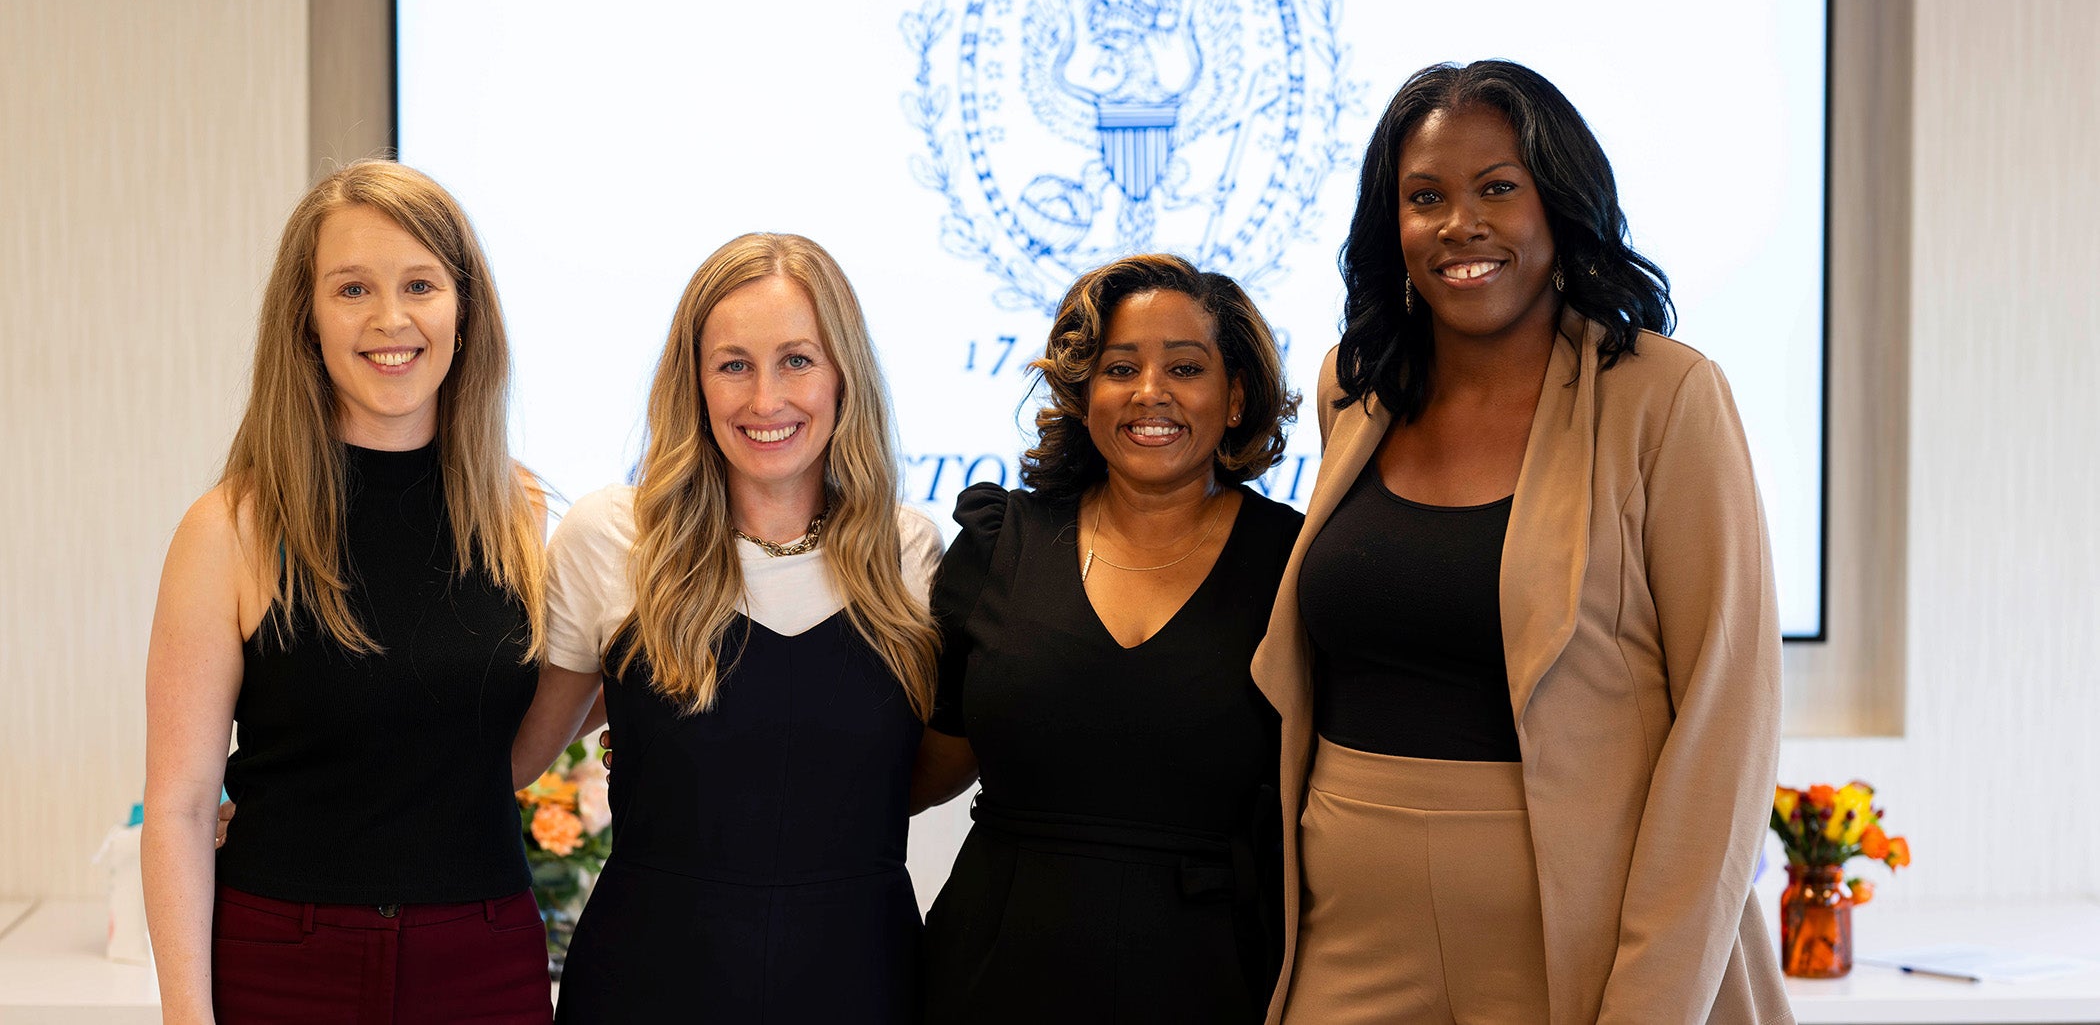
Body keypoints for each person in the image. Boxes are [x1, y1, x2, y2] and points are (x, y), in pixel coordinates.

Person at [1252, 60, 1790, 1024]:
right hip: (1349, 933)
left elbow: (1726, 727)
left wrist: (1651, 1001)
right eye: (1427, 198)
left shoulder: (1664, 397)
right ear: (1395, 224)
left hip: (1573, 941)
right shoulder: (1354, 386)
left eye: (1498, 186)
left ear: (1560, 205)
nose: (1463, 224)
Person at [143, 161, 553, 1025]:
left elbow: (504, 749)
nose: (390, 319)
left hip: (485, 961)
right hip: (281, 963)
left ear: (464, 312)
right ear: (307, 319)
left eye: (420, 284)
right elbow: (180, 808)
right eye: (352, 288)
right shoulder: (231, 528)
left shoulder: (523, 514)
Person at [509, 233, 944, 1023]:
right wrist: (248, 805)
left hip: (862, 982)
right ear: (695, 382)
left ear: (844, 374)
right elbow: (513, 753)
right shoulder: (615, 538)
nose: (765, 399)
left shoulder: (910, 555)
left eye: (797, 360)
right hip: (648, 985)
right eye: (733, 364)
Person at [912, 254, 1304, 1024]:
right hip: (993, 973)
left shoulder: (1296, 566)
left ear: (1235, 398)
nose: (1150, 392)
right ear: (1084, 393)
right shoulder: (1002, 544)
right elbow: (922, 767)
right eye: (1120, 367)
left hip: (1210, 979)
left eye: (1185, 367)